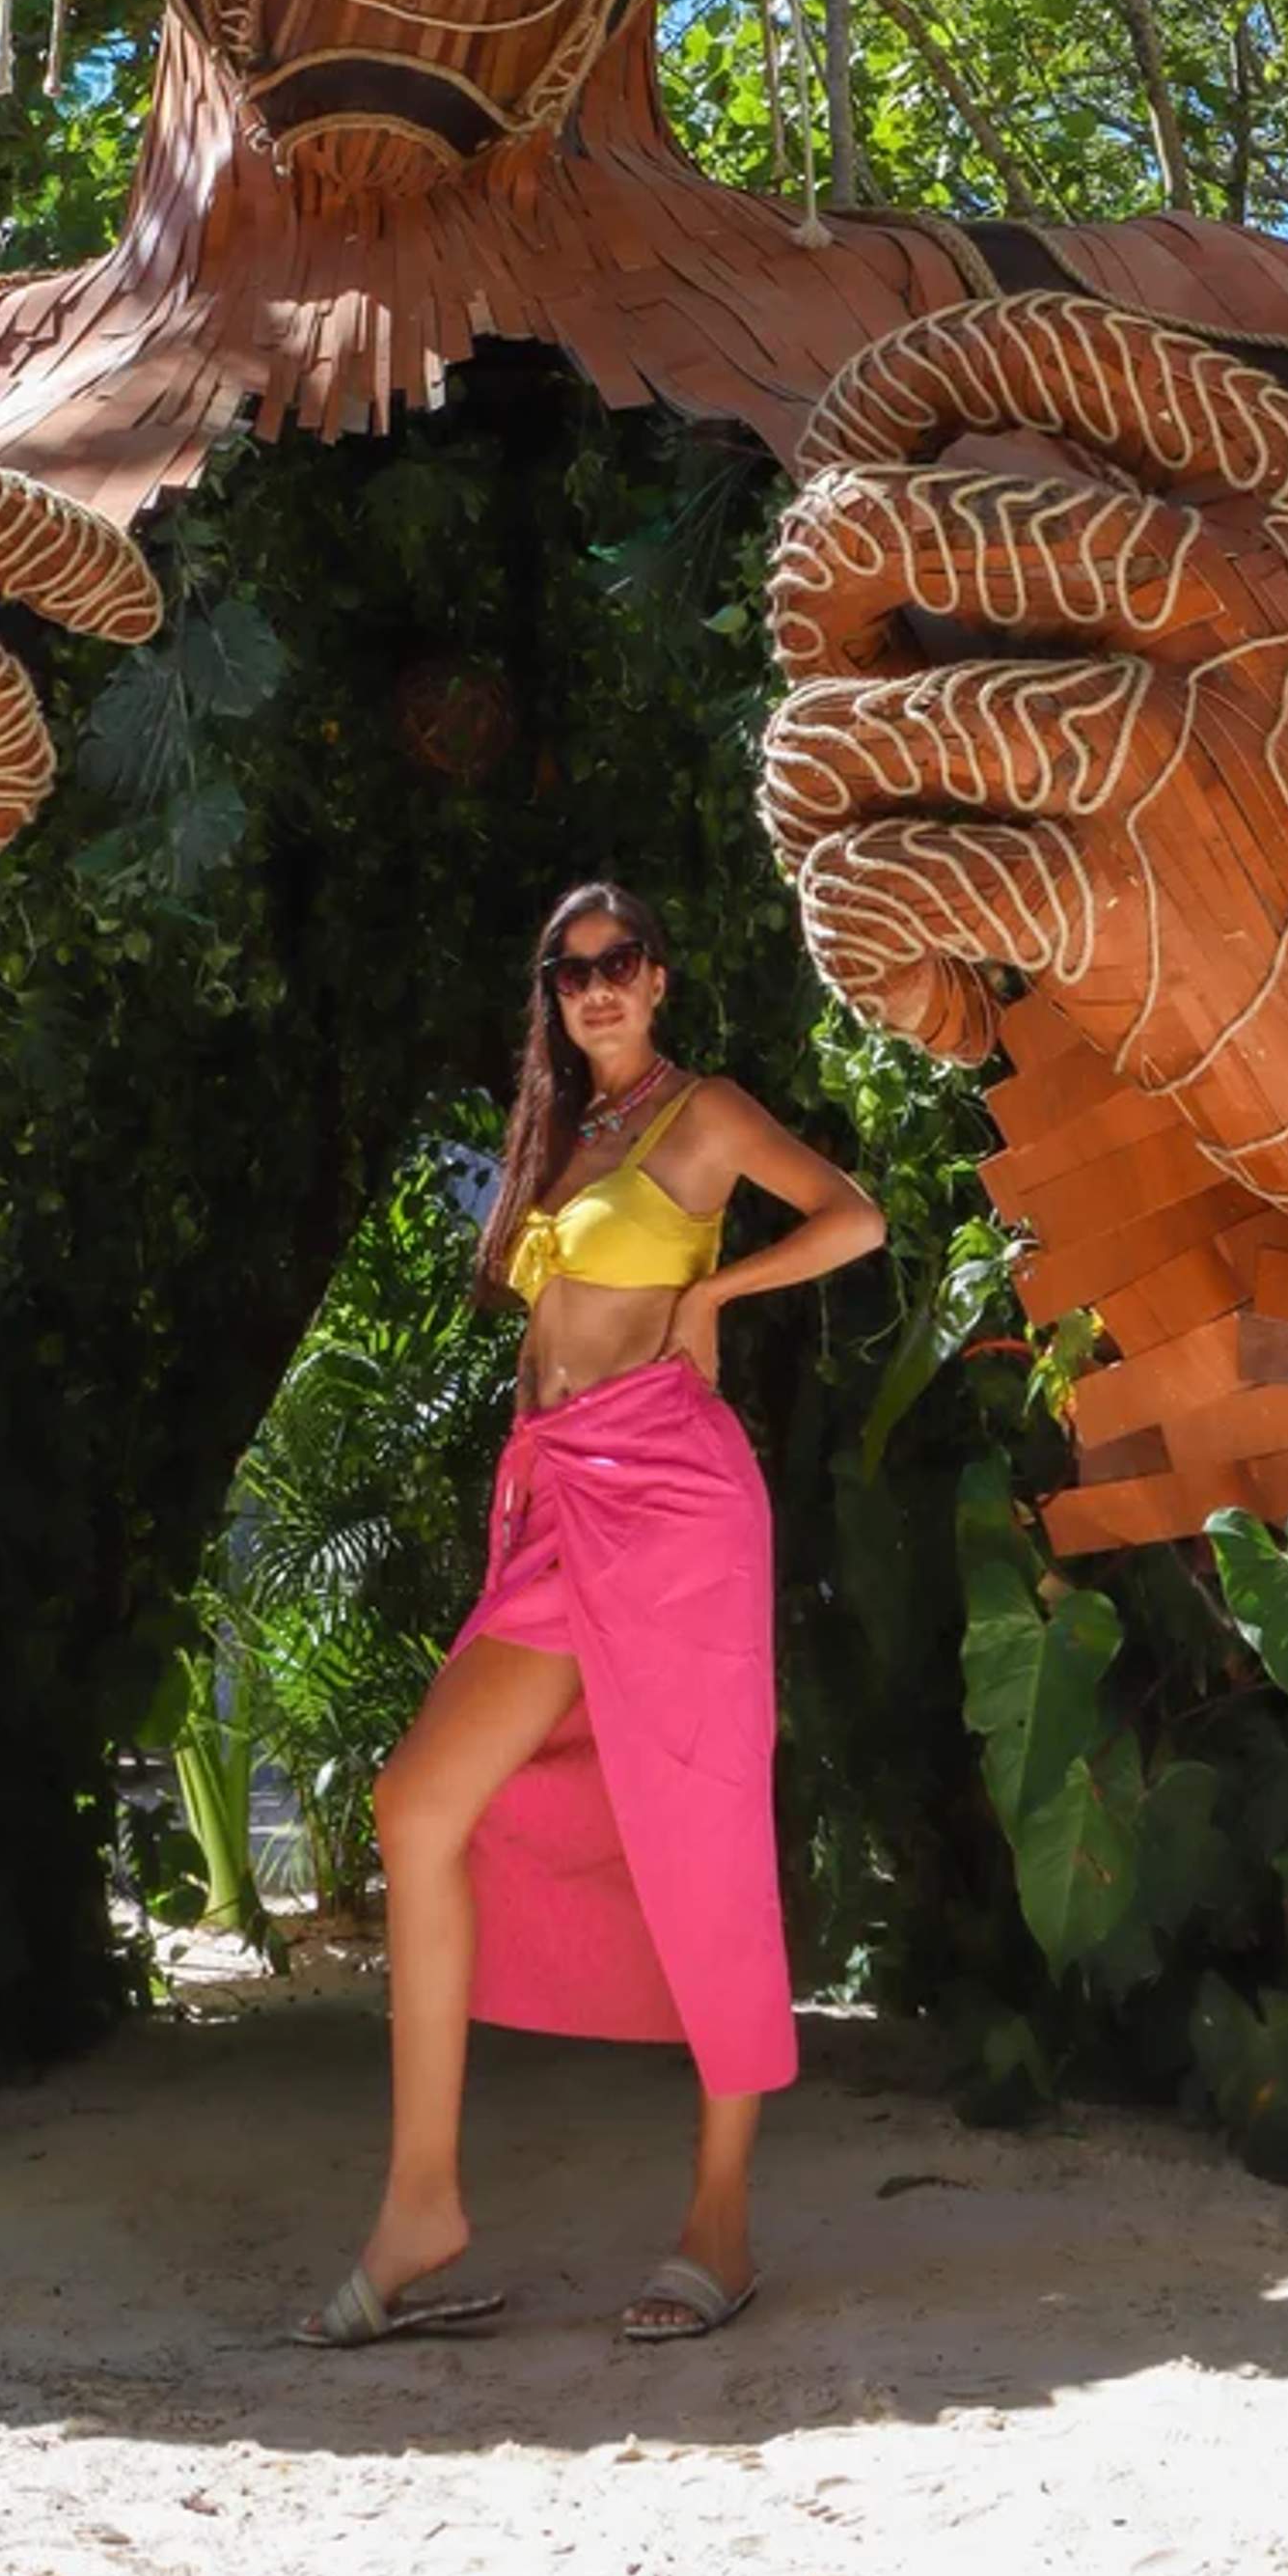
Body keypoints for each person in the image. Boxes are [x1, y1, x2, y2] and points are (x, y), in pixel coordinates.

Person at [300, 880, 885, 2351]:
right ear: (553, 999)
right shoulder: (563, 1137)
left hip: (675, 1504)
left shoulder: (706, 1116)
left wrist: (717, 1296)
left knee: (702, 1837)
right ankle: (421, 2202)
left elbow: (856, 1219)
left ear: (660, 978)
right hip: (560, 1505)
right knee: (419, 1805)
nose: (598, 987)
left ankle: (720, 2221)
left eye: (620, 962)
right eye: (571, 973)